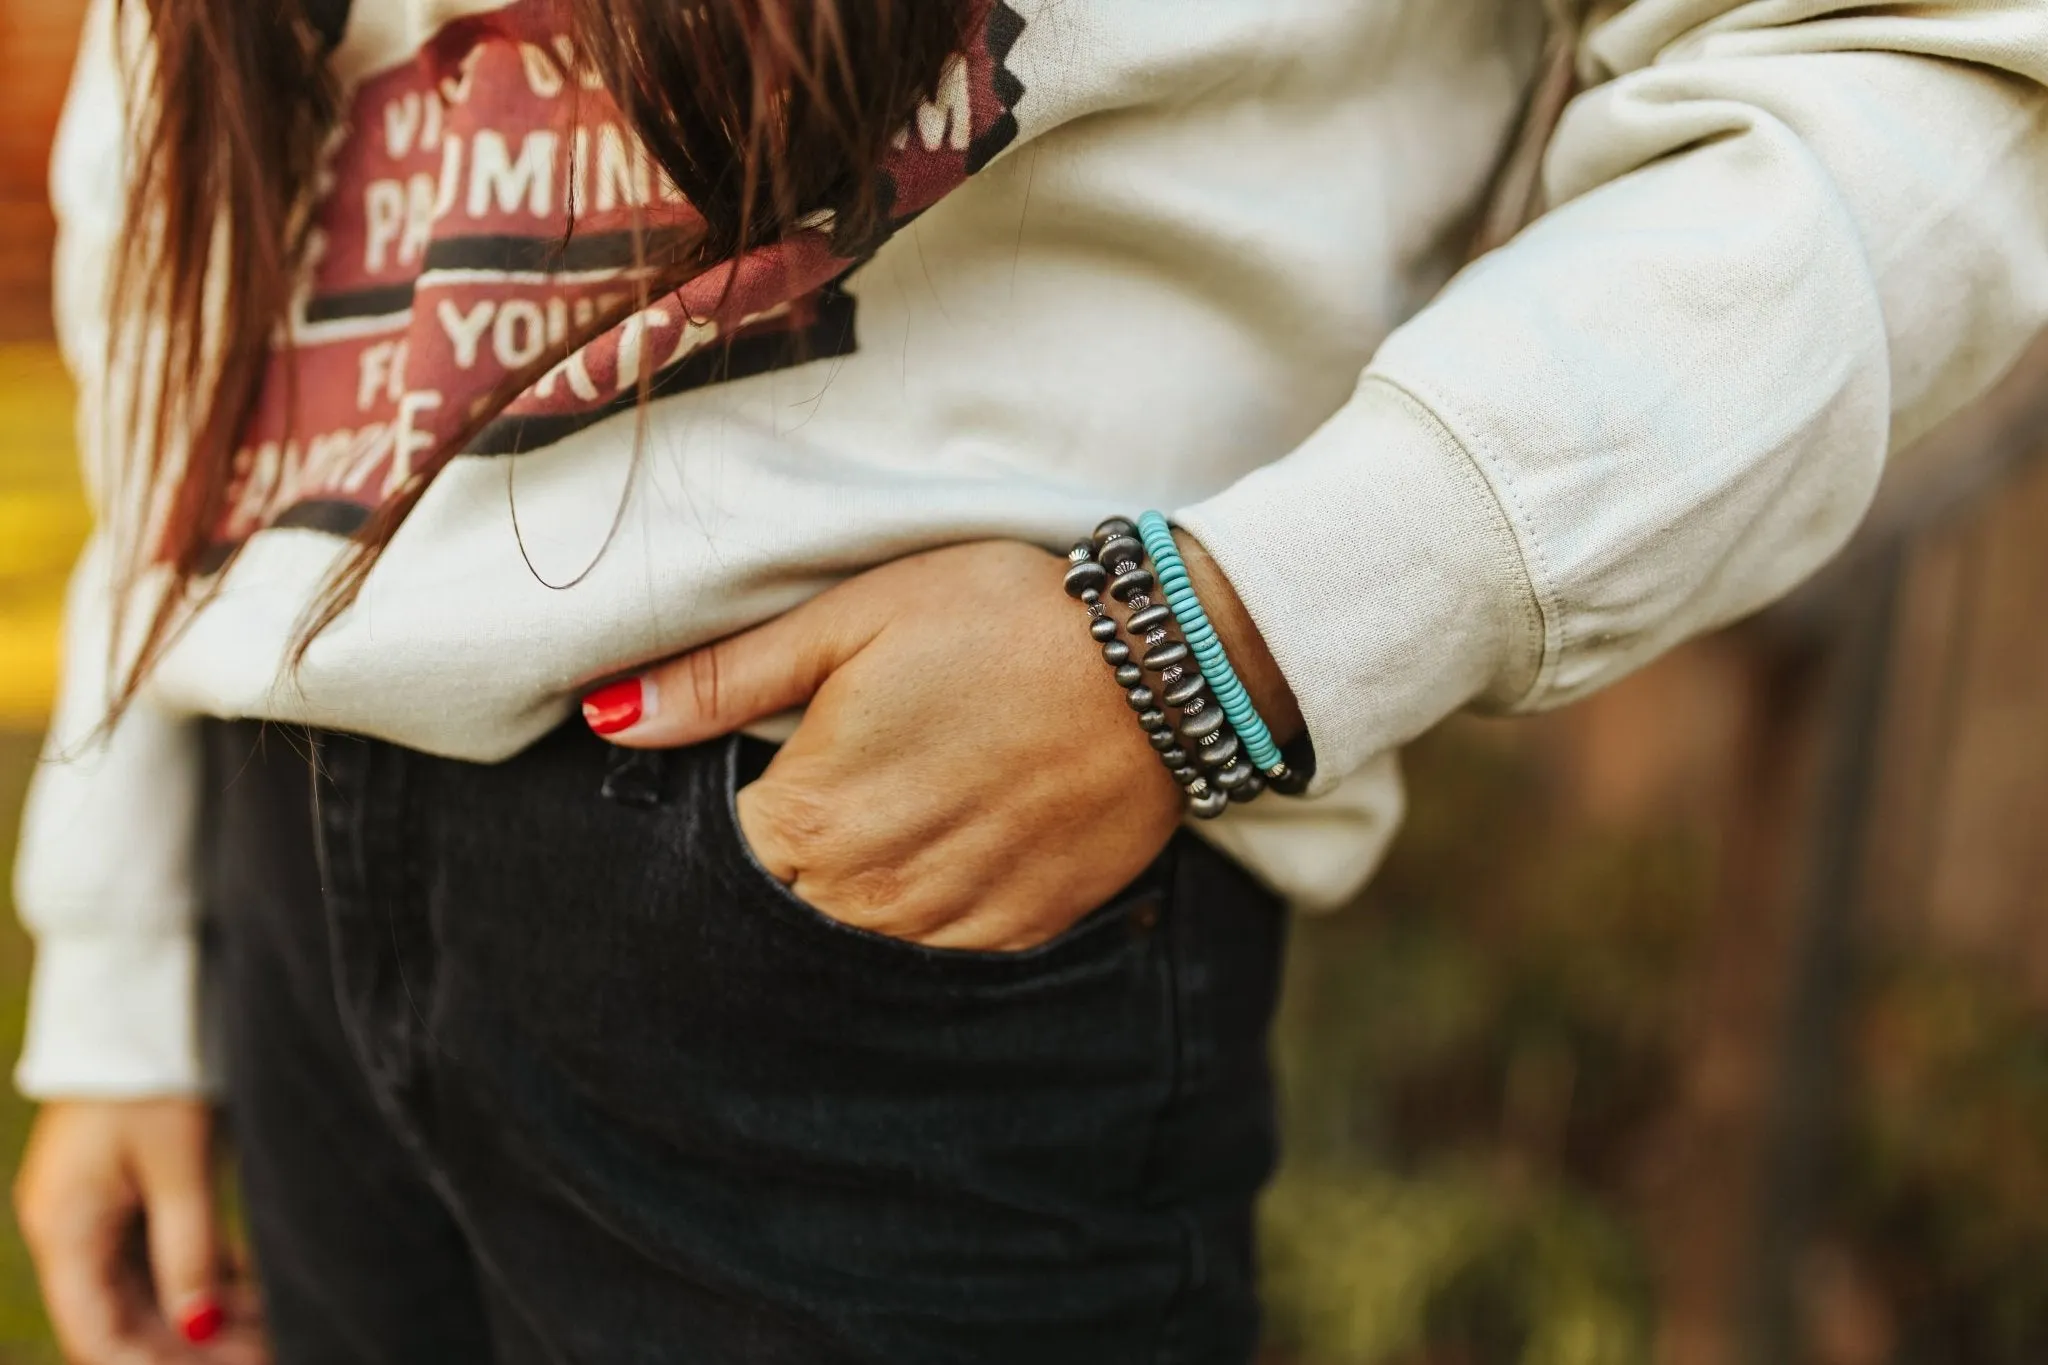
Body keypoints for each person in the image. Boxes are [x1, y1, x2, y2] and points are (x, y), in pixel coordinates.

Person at [11, 0, 2047, 1359]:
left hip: (874, 896)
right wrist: (123, 913)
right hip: (283, 827)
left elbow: (1913, 74)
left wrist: (1228, 631)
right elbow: (179, 140)